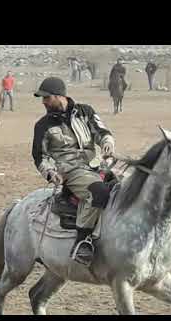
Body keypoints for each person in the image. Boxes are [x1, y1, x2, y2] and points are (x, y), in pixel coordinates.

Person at [32, 77, 115, 265]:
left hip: (96, 165)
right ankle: (83, 241)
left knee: (125, 190)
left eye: (47, 97)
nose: (43, 102)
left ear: (60, 96)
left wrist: (107, 143)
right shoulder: (43, 125)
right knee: (99, 192)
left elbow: (101, 131)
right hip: (71, 170)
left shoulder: (85, 112)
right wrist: (50, 172)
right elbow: (40, 156)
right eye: (42, 98)